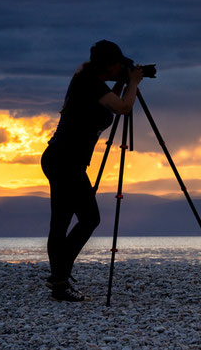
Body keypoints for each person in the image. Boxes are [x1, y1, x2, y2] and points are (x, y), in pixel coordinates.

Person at [41, 40, 144, 302]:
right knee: (89, 219)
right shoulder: (89, 83)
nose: (121, 68)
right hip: (66, 162)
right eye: (119, 64)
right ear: (108, 66)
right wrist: (133, 83)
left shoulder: (86, 80)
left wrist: (122, 81)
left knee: (61, 223)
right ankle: (60, 277)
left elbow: (110, 105)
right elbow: (123, 108)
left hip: (61, 159)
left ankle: (59, 281)